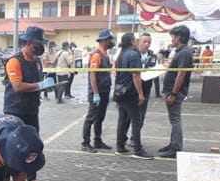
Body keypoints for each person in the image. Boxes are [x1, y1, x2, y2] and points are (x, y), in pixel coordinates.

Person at [2, 26, 53, 181]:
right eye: (38, 44)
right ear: (29, 43)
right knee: (12, 144)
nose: (40, 47)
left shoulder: (37, 61)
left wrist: (46, 86)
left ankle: (31, 178)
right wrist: (39, 85)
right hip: (15, 110)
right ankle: (5, 179)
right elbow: (17, 86)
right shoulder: (14, 61)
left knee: (33, 143)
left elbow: (37, 83)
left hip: (32, 109)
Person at [114, 32, 152, 160]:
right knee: (136, 120)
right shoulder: (133, 55)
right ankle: (137, 149)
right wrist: (140, 94)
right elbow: (136, 75)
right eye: (136, 40)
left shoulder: (121, 54)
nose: (137, 42)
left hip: (120, 92)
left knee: (122, 120)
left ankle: (120, 147)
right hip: (130, 92)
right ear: (132, 42)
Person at [159, 25, 194, 158]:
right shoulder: (181, 51)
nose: (172, 39)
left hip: (175, 92)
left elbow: (181, 75)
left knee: (175, 119)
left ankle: (176, 147)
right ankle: (172, 143)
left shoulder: (184, 52)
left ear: (178, 37)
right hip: (171, 91)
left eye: (173, 37)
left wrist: (173, 94)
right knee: (173, 119)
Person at [81, 29, 115, 153]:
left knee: (100, 118)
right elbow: (93, 75)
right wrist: (95, 93)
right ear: (104, 40)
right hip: (97, 92)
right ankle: (85, 143)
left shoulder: (105, 54)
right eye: (110, 39)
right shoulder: (97, 55)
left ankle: (98, 141)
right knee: (90, 118)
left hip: (104, 92)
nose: (111, 42)